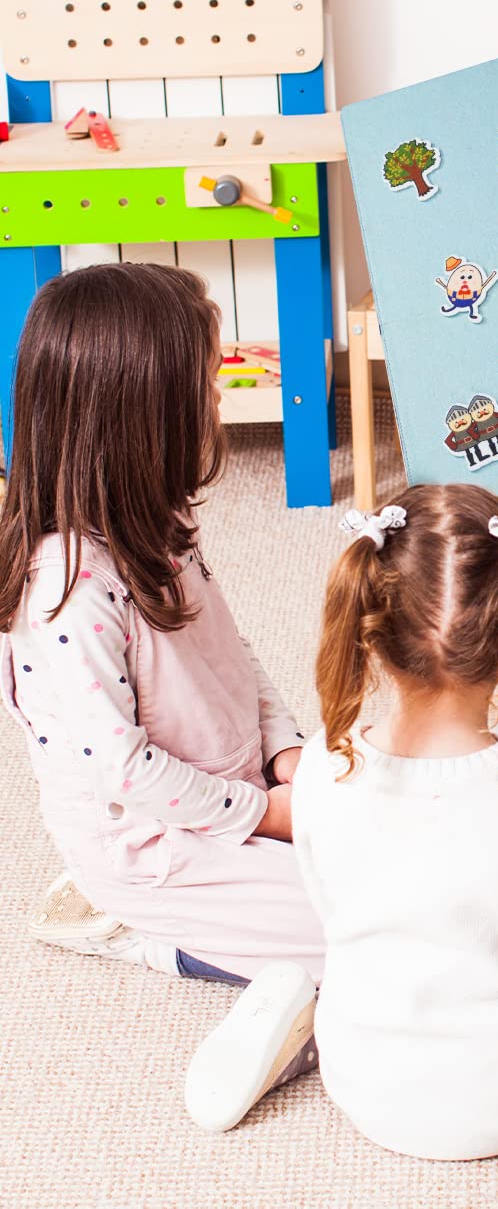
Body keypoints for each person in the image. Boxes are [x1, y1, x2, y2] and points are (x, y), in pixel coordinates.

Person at [185, 485, 498, 1205]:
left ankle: (289, 1021)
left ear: (371, 634)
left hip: (361, 1081)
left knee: (359, 963)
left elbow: (334, 916)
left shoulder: (325, 773)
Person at [0, 263, 325, 985]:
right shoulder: (68, 589)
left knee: (413, 857)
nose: (217, 398)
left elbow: (229, 654)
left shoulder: (157, 517)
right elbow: (124, 771)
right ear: (143, 414)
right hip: (152, 839)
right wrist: (269, 816)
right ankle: (128, 928)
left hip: (232, 787)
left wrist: (287, 754)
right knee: (364, 936)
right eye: (207, 385)